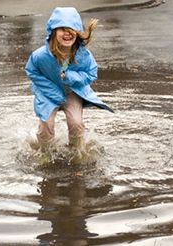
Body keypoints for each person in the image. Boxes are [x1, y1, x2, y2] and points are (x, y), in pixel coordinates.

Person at [25, 7, 113, 158]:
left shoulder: (83, 55)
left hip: (72, 91)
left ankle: (77, 151)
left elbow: (92, 74)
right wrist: (51, 91)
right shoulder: (40, 55)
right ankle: (44, 153)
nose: (68, 33)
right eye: (62, 29)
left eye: (72, 29)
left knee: (76, 123)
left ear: (78, 32)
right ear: (53, 32)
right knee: (46, 124)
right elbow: (31, 70)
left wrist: (71, 77)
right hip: (48, 92)